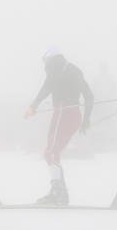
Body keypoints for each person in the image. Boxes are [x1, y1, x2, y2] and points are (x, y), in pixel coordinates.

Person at [25, 47, 94, 205]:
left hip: (65, 112)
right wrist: (33, 107)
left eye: (46, 62)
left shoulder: (65, 71)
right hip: (64, 114)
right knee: (52, 152)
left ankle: (57, 192)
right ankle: (60, 194)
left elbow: (89, 96)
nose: (45, 67)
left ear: (51, 60)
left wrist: (86, 120)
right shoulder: (60, 71)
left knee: (50, 152)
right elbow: (45, 91)